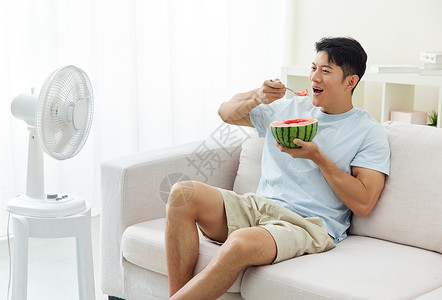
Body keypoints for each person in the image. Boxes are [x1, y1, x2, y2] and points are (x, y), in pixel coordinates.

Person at [165, 36, 390, 300]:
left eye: (326, 71)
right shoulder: (291, 107)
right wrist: (257, 97)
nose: (315, 77)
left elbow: (363, 203)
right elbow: (226, 112)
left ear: (350, 82)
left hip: (308, 224)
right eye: (313, 68)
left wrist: (318, 157)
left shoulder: (368, 132)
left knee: (239, 242)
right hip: (258, 207)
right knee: (182, 193)